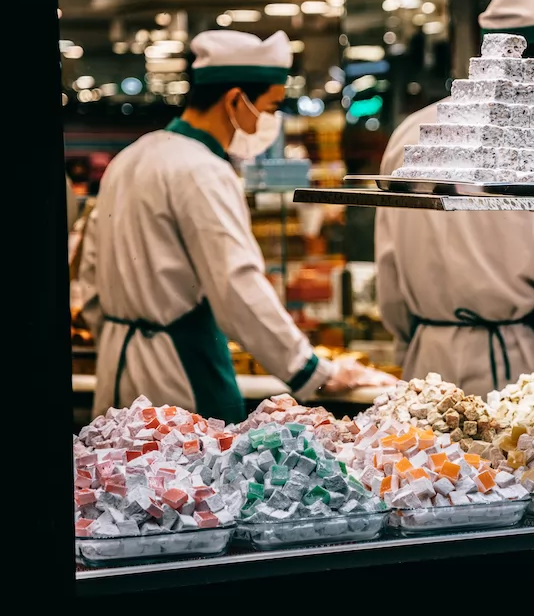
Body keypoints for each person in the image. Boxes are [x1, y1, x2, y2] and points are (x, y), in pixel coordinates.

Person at [79, 30, 394, 422]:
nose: (273, 121)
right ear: (234, 100)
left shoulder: (129, 158)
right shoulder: (203, 170)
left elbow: (87, 281)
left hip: (115, 367)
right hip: (181, 376)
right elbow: (237, 285)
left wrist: (122, 331)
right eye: (271, 106)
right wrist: (313, 372)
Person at [376, 0, 534, 397]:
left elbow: (388, 264)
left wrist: (406, 343)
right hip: (514, 368)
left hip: (423, 361)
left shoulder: (409, 133)